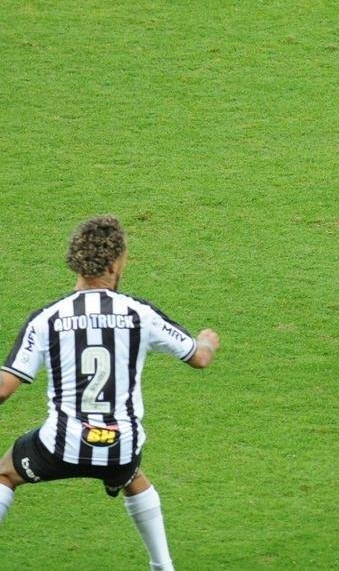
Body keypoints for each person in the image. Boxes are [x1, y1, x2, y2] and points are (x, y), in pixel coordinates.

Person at [0, 215, 220, 571]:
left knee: (6, 473)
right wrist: (207, 341)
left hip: (61, 445)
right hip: (120, 446)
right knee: (132, 476)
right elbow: (198, 358)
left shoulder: (48, 318)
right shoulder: (139, 314)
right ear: (116, 262)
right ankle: (163, 567)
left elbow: (4, 389)